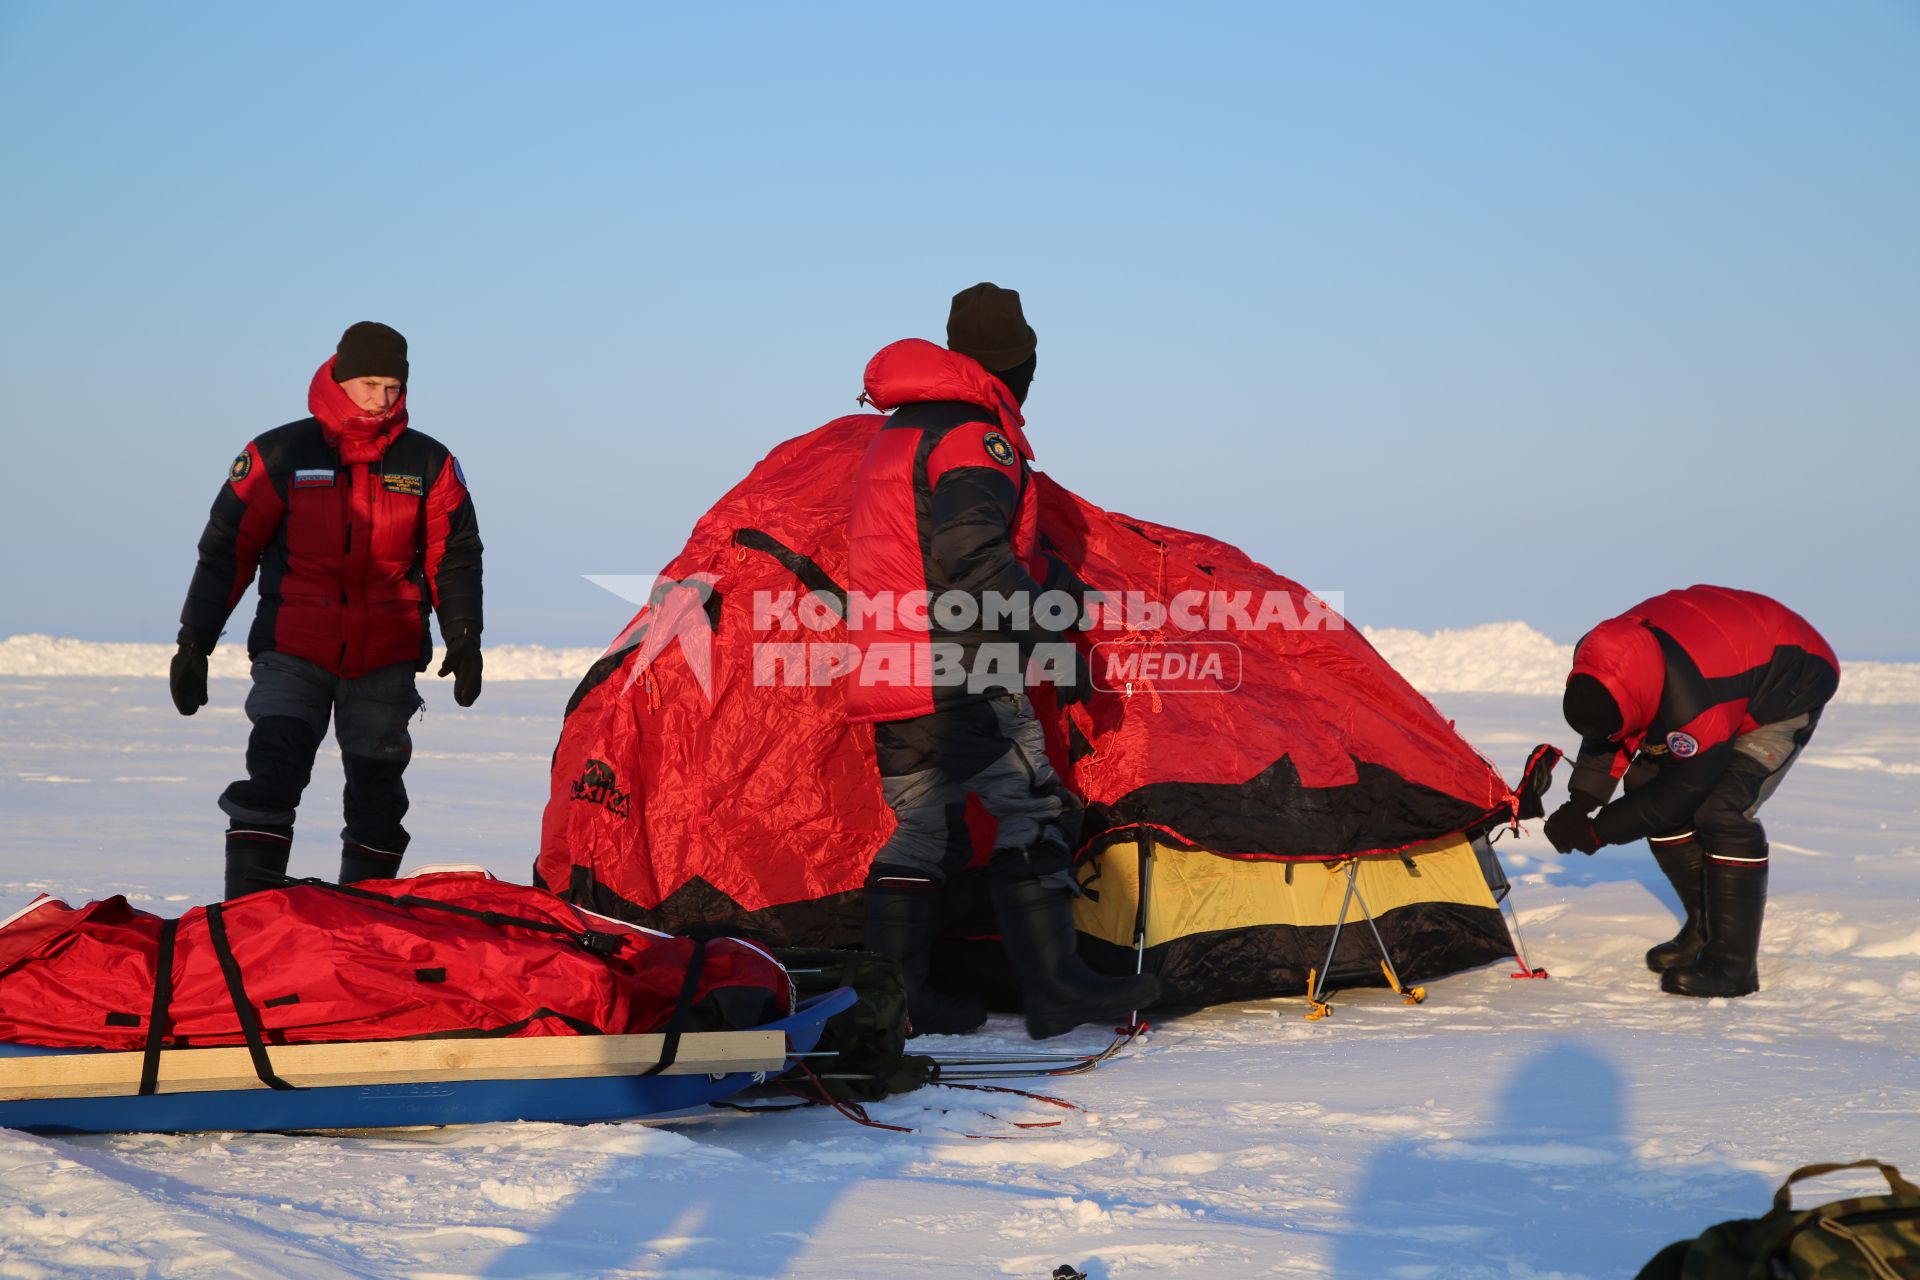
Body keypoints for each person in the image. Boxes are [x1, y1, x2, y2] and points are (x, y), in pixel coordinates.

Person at [845, 283, 1160, 1038]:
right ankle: (1057, 990)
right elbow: (969, 553)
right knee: (1035, 809)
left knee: (923, 831)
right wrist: (1048, 629)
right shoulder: (972, 436)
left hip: (891, 668)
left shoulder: (897, 433)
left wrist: (1056, 585)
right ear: (1017, 364)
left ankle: (901, 998)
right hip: (962, 665)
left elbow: (930, 545)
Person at [169, 322, 484, 899]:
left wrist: (464, 636)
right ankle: (250, 918)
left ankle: (365, 923)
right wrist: (196, 641)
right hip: (294, 647)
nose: (381, 400)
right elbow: (227, 550)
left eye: (393, 387)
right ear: (340, 378)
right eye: (369, 384)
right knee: (273, 770)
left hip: (385, 655)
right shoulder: (280, 453)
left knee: (378, 795)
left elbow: (454, 554)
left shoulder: (429, 462)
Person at [1543, 585, 1838, 998]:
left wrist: (1598, 831)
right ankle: (1704, 931)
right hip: (1723, 663)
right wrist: (1581, 802)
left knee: (1720, 810)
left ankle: (1733, 966)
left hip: (1788, 682)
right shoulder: (1602, 662)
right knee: (1644, 784)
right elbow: (1610, 731)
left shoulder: (1694, 703)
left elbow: (1682, 791)